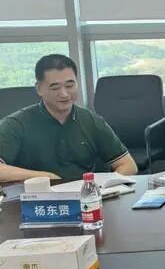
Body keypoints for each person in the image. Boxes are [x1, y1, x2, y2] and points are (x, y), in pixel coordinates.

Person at [0, 54, 137, 183]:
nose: (64, 94)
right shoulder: (16, 124)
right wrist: (44, 177)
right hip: (36, 196)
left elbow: (128, 165)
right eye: (55, 88)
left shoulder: (90, 120)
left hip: (84, 194)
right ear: (39, 89)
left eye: (70, 86)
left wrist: (104, 187)